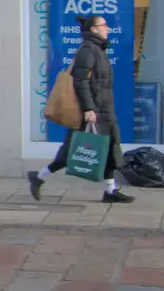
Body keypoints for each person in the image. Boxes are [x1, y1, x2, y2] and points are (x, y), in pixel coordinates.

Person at [30, 14, 134, 204]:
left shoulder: (99, 50)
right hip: (94, 110)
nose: (107, 28)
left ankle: (110, 190)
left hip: (105, 109)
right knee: (72, 150)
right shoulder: (88, 50)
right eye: (103, 25)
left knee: (111, 148)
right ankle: (39, 176)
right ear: (93, 29)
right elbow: (81, 81)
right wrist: (88, 109)